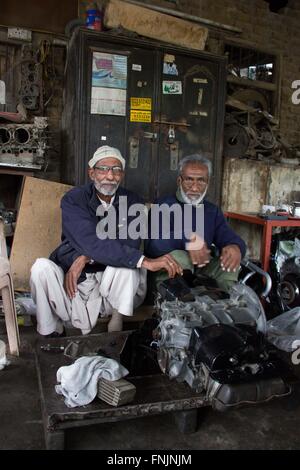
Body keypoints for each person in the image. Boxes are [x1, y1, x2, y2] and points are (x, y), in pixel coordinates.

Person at [30, 145, 182, 337]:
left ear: (122, 175)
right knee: (40, 268)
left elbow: (128, 244)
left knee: (128, 263)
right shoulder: (74, 199)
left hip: (111, 283)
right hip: (76, 280)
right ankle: (52, 329)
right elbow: (86, 238)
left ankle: (115, 324)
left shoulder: (133, 201)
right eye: (103, 169)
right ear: (91, 172)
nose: (110, 176)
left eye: (116, 170)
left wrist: (85, 257)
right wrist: (85, 254)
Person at [145, 153, 246, 292]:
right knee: (180, 257)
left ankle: (220, 307)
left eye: (201, 181)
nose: (194, 187)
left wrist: (236, 246)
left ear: (208, 183)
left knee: (228, 263)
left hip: (202, 270)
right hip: (168, 275)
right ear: (179, 181)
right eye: (189, 180)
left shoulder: (212, 211)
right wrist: (187, 239)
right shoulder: (163, 205)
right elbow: (152, 246)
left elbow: (227, 236)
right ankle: (174, 307)